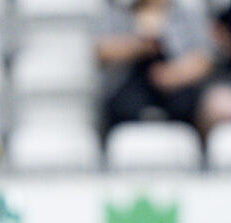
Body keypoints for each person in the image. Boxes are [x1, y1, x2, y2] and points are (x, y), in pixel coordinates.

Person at [93, 0, 225, 138]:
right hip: (128, 85)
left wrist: (175, 74)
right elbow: (100, 50)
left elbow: (205, 57)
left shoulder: (188, 9)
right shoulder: (116, 8)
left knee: (189, 104)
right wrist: (140, 45)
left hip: (177, 88)